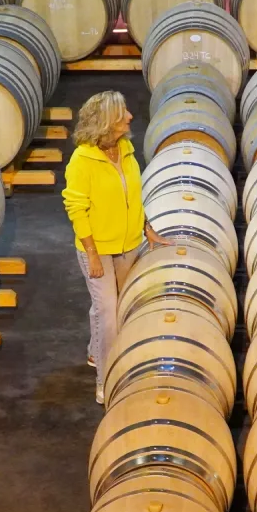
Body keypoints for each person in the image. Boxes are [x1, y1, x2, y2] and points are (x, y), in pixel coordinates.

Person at [62, 90, 169, 405]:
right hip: (97, 249)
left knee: (117, 306)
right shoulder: (82, 160)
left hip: (128, 244)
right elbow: (76, 209)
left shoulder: (126, 150)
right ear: (107, 120)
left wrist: (147, 228)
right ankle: (106, 381)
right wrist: (92, 254)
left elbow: (133, 196)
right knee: (108, 313)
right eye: (123, 113)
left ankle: (95, 350)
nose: (130, 117)